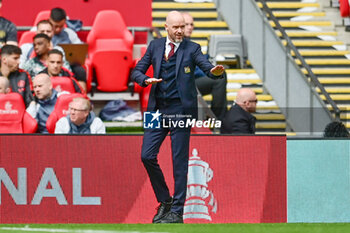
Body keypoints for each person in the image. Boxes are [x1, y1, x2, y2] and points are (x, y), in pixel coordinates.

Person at [131, 11, 224, 224]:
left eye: (182, 26)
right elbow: (137, 71)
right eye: (176, 27)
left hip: (181, 111)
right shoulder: (155, 46)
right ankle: (165, 201)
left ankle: (177, 212)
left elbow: (205, 65)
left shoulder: (192, 48)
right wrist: (145, 80)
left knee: (178, 161)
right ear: (166, 27)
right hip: (156, 110)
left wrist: (214, 72)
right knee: (146, 155)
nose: (180, 31)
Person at [182, 12, 227, 120]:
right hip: (184, 85)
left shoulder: (190, 44)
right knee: (219, 78)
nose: (190, 27)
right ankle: (219, 118)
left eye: (191, 24)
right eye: (186, 24)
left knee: (220, 75)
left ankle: (218, 117)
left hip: (193, 82)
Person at [49, 8, 87, 91]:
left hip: (67, 62)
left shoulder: (69, 33)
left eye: (61, 26)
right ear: (49, 20)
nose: (58, 29)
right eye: (55, 26)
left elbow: (80, 49)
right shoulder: (41, 31)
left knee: (80, 71)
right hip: (47, 62)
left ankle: (82, 97)